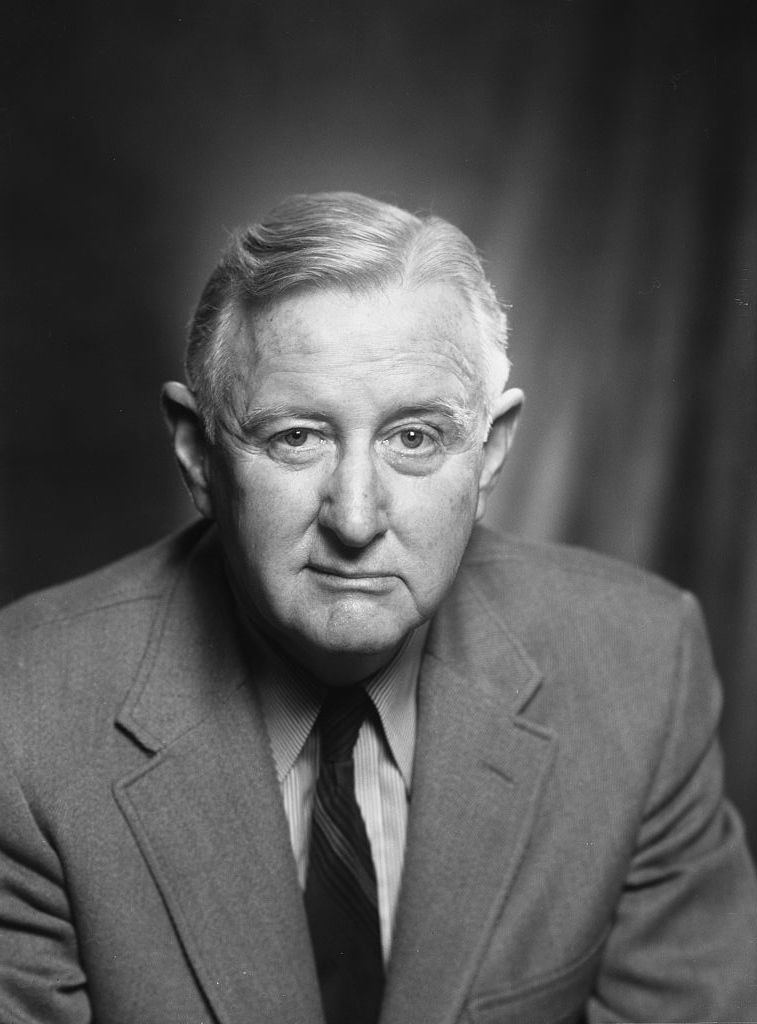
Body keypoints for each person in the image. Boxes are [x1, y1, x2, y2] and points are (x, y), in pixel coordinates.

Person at [1, 191, 756, 1024]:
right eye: (296, 436)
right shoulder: (23, 716)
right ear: (196, 453)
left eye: (414, 438)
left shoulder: (641, 670)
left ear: (491, 452)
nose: (355, 518)